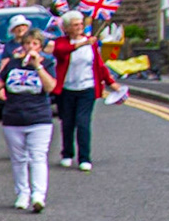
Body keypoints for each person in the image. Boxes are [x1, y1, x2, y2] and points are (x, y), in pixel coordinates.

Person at [0, 17, 57, 212]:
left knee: (38, 157)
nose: (30, 46)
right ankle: (22, 193)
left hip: (39, 117)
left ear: (40, 46)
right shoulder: (12, 65)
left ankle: (38, 196)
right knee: (18, 159)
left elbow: (50, 87)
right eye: (26, 43)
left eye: (34, 43)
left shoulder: (47, 64)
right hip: (13, 118)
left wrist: (37, 66)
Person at [50, 10, 122, 172]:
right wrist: (83, 43)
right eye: (75, 25)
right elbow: (61, 52)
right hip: (67, 89)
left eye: (81, 24)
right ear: (67, 28)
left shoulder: (92, 44)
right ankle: (67, 154)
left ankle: (84, 158)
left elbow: (100, 66)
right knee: (67, 123)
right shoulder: (61, 42)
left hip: (86, 88)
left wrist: (112, 83)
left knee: (83, 123)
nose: (79, 27)